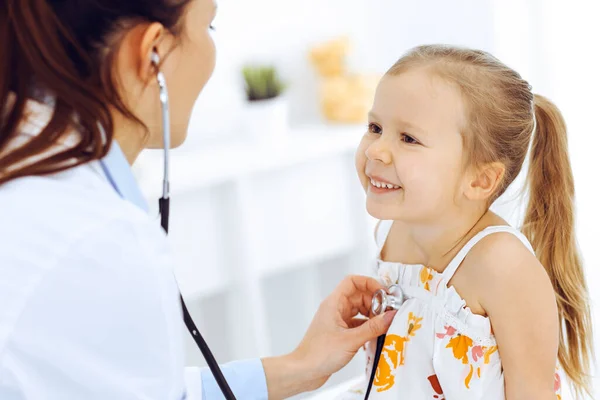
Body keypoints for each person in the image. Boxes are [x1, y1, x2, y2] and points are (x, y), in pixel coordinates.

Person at [0, 0, 397, 398]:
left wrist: (300, 366)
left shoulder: (40, 184)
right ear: (152, 52)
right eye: (209, 27)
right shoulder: (95, 237)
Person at [338, 45, 593, 399]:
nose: (375, 150)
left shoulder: (504, 268)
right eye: (375, 127)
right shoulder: (393, 231)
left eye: (408, 138)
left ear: (480, 180)